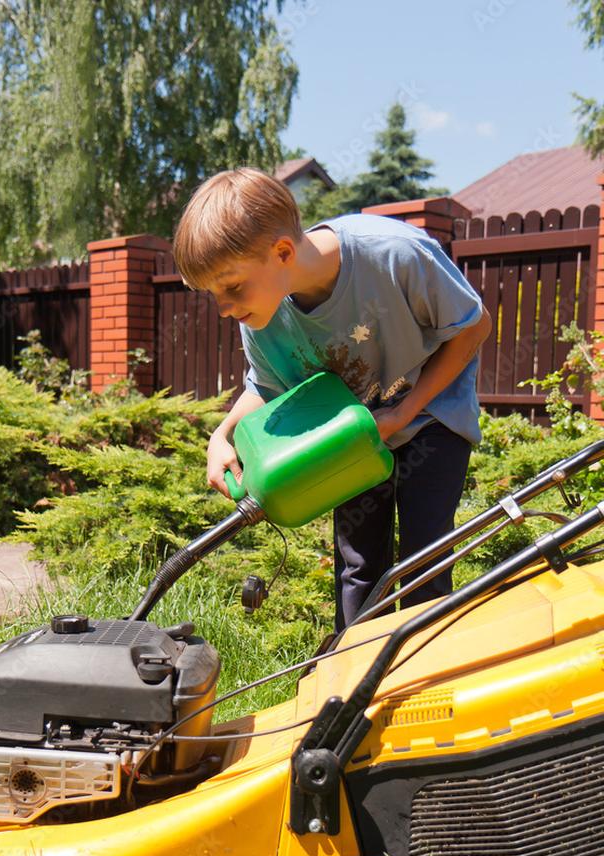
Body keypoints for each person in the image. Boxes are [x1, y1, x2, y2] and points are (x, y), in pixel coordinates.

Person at [172, 167, 492, 631]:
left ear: (283, 252)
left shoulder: (393, 254)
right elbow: (266, 387)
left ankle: (424, 669)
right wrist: (221, 435)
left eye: (232, 287)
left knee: (424, 564)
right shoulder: (260, 315)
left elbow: (473, 327)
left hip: (430, 417)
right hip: (352, 437)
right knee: (359, 569)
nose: (223, 308)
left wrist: (403, 410)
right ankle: (356, 672)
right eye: (213, 294)